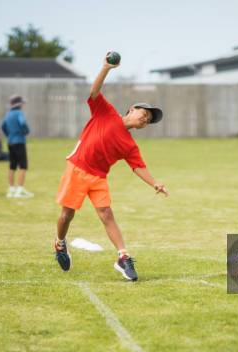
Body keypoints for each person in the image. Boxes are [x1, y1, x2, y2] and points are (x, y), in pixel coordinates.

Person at [54, 53, 168, 282]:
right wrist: (106, 68)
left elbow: (138, 167)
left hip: (98, 178)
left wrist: (154, 182)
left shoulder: (129, 144)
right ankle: (59, 244)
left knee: (106, 214)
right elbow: (93, 93)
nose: (145, 119)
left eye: (148, 120)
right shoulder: (105, 113)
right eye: (144, 114)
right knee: (67, 215)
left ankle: (123, 257)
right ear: (132, 109)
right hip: (77, 169)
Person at [1, 95, 33, 198]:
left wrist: (9, 135)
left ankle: (11, 190)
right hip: (19, 141)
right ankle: (19, 190)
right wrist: (26, 131)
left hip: (10, 142)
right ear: (19, 104)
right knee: (23, 166)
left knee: (12, 166)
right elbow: (22, 123)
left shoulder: (8, 114)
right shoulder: (19, 113)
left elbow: (3, 126)